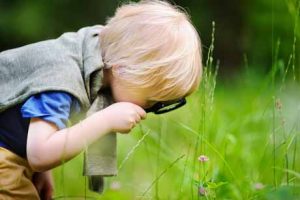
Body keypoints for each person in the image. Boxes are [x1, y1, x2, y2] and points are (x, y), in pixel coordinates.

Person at [0, 0, 202, 199]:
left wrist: (39, 171)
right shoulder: (61, 78)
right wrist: (104, 120)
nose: (148, 108)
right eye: (149, 100)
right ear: (122, 70)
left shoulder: (91, 54)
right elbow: (40, 154)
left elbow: (26, 121)